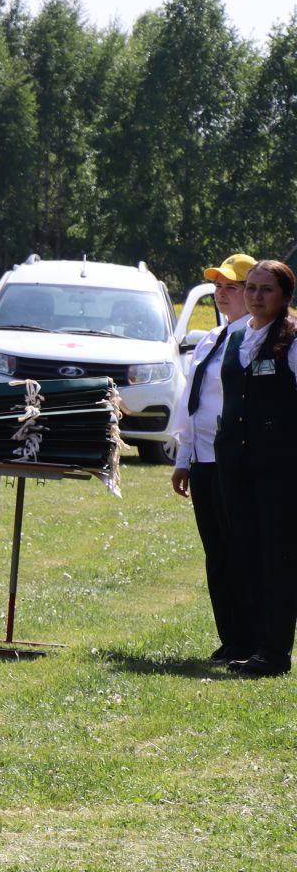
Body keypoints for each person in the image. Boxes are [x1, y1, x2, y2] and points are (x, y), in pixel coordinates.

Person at [168, 253, 253, 665]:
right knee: (217, 553)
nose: (222, 294)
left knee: (242, 552)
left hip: (235, 462)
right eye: (219, 287)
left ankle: (251, 639)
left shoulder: (257, 340)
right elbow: (193, 404)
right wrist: (184, 457)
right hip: (204, 461)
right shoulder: (210, 339)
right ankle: (230, 638)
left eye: (232, 287)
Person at [214, 260, 297, 678]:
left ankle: (275, 651)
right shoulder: (236, 337)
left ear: (284, 297)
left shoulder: (292, 340)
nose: (256, 296)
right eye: (251, 288)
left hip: (279, 468)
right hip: (236, 465)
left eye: (266, 290)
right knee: (245, 554)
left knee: (276, 559)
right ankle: (249, 643)